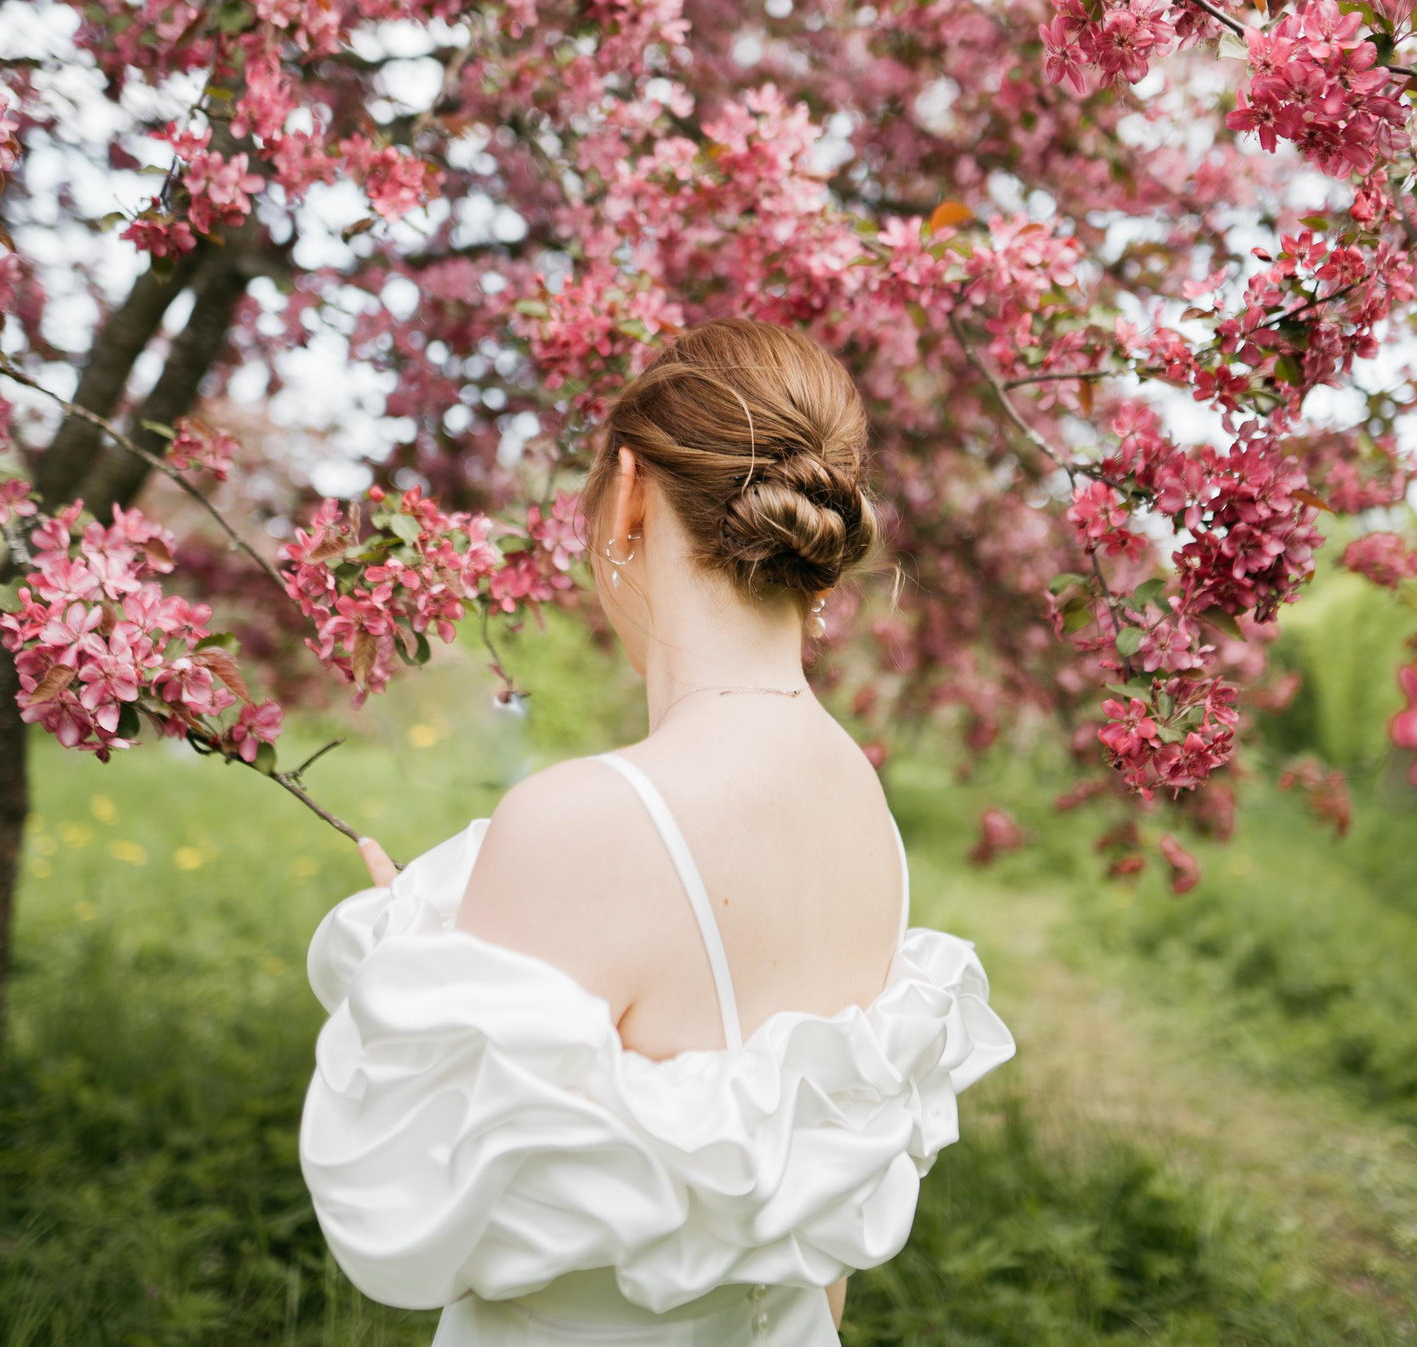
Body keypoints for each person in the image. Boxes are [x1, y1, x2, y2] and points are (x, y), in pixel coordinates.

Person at [298, 318, 1016, 1345]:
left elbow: (405, 1230)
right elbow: (820, 1238)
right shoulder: (866, 809)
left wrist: (400, 970)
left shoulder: (583, 822)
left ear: (628, 492)